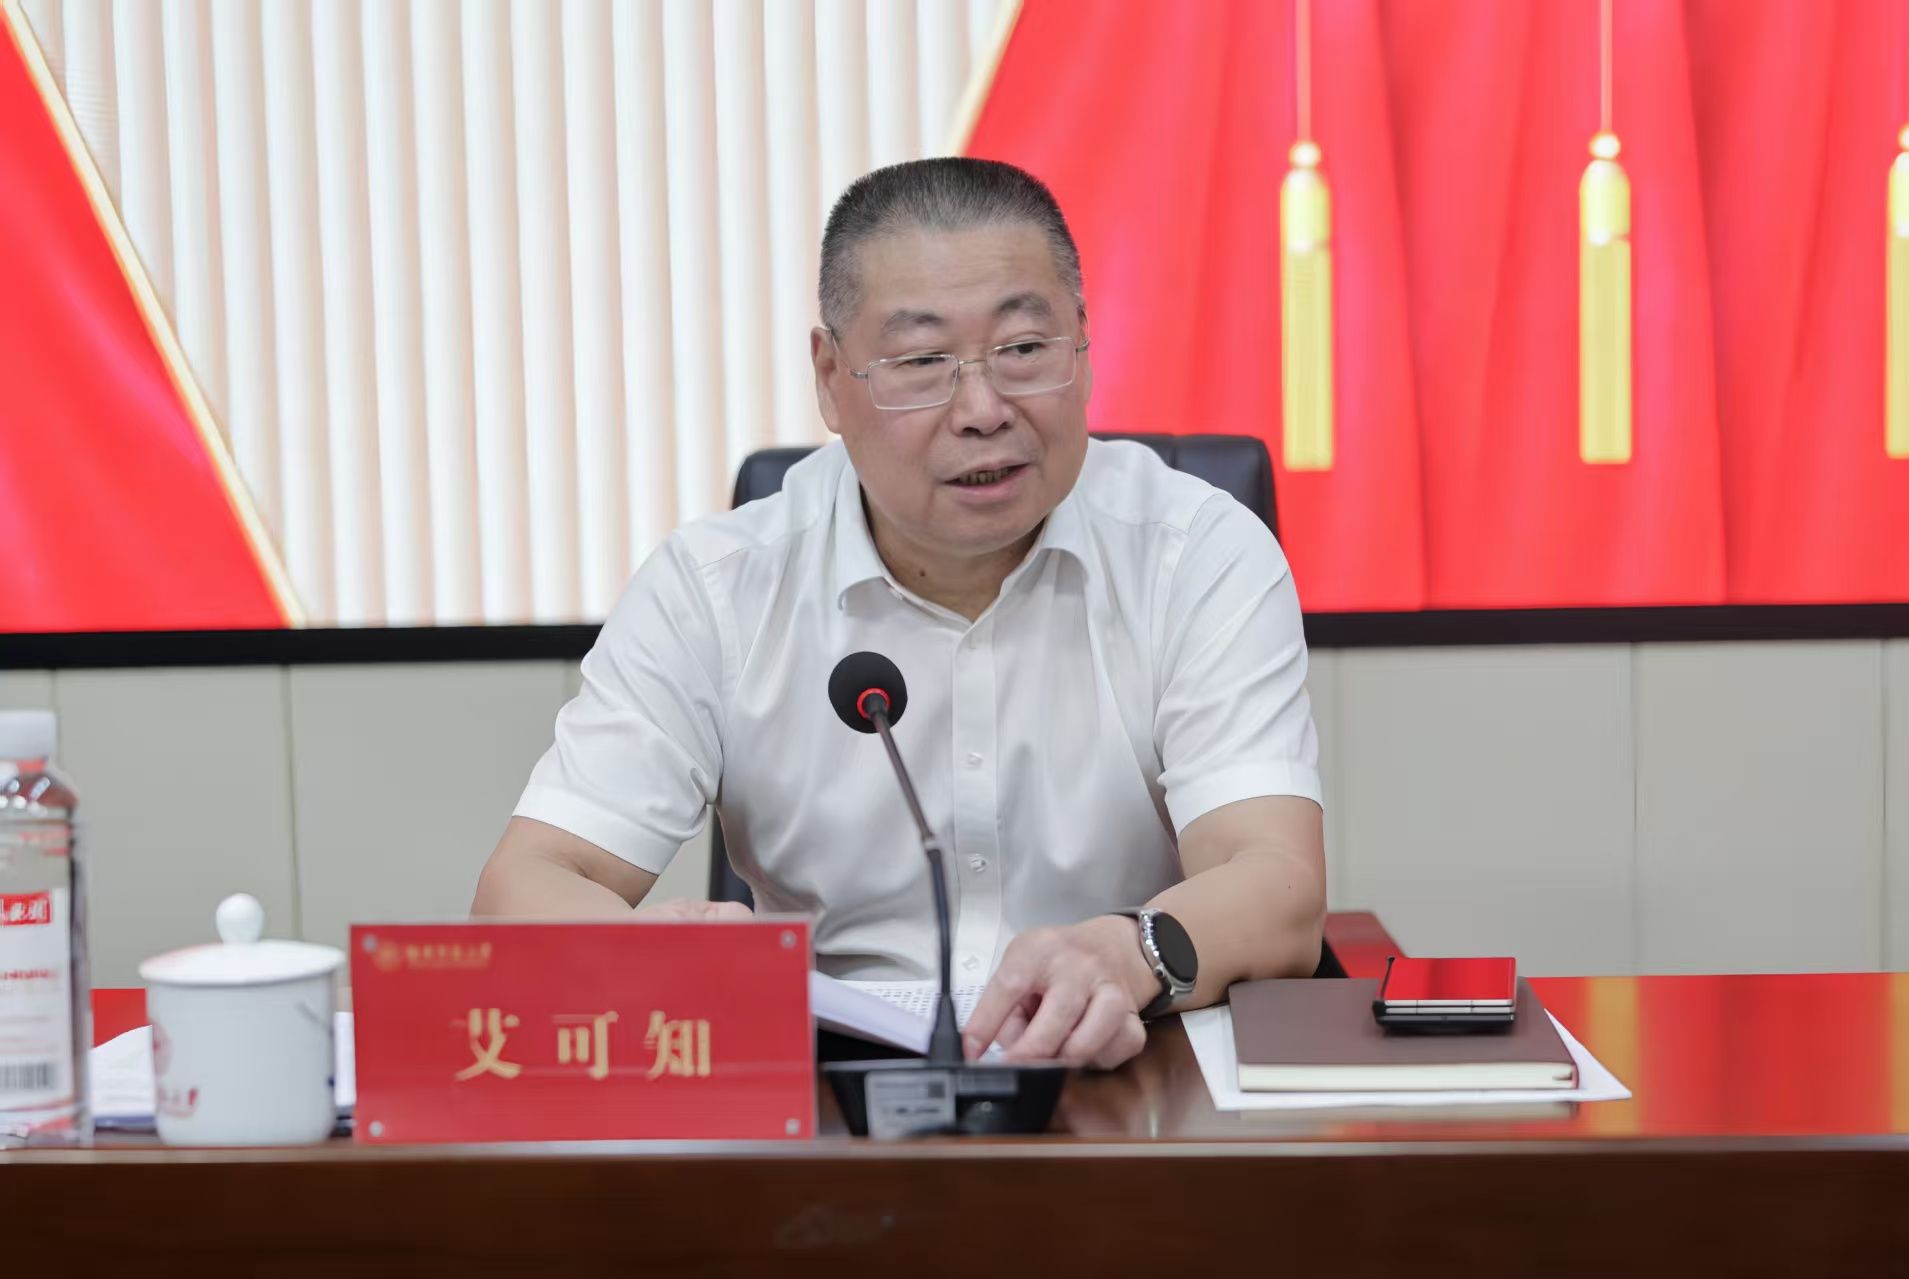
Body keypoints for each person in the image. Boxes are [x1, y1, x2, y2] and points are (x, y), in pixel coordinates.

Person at [474, 157, 1325, 1071]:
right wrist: (656, 955)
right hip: (827, 1093)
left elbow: (1276, 883)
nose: (983, 410)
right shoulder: (717, 588)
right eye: (922, 363)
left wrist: (1130, 952)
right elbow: (526, 884)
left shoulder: (1194, 553)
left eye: (1024, 349)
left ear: (1082, 342)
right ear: (830, 377)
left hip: (1129, 1072)